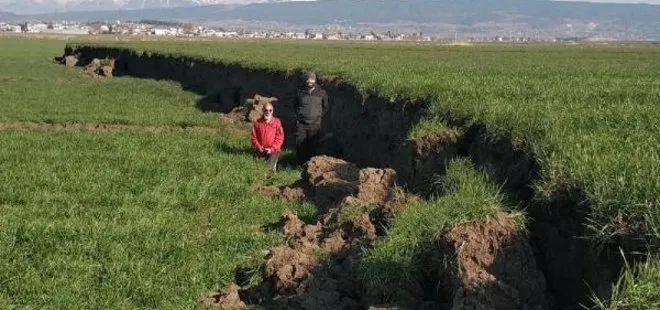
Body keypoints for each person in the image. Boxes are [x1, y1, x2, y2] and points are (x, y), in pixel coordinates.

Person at [294, 71, 329, 165]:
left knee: (313, 145)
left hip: (315, 124)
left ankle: (311, 165)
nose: (310, 81)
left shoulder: (321, 93)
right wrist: (300, 116)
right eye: (308, 79)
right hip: (301, 124)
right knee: (300, 144)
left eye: (312, 79)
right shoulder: (299, 92)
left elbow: (325, 107)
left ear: (315, 80)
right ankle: (300, 165)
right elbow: (295, 106)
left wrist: (318, 116)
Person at [250, 102, 284, 173]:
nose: (268, 112)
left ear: (272, 111)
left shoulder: (277, 122)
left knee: (270, 169)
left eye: (270, 110)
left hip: (273, 150)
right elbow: (253, 137)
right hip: (261, 149)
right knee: (257, 168)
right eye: (266, 110)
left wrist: (272, 149)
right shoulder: (257, 123)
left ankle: (273, 177)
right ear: (263, 111)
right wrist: (259, 147)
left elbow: (280, 137)